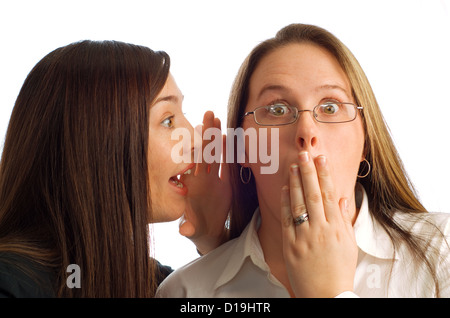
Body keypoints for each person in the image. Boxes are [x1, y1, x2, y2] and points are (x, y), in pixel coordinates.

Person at [155, 23, 450, 297]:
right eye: (278, 109)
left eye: (331, 107)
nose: (306, 132)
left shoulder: (442, 251)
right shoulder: (186, 291)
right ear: (242, 147)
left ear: (366, 144)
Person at [0, 40, 230, 297]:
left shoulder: (152, 283)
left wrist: (213, 242)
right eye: (168, 120)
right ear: (97, 141)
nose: (197, 140)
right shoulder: (11, 285)